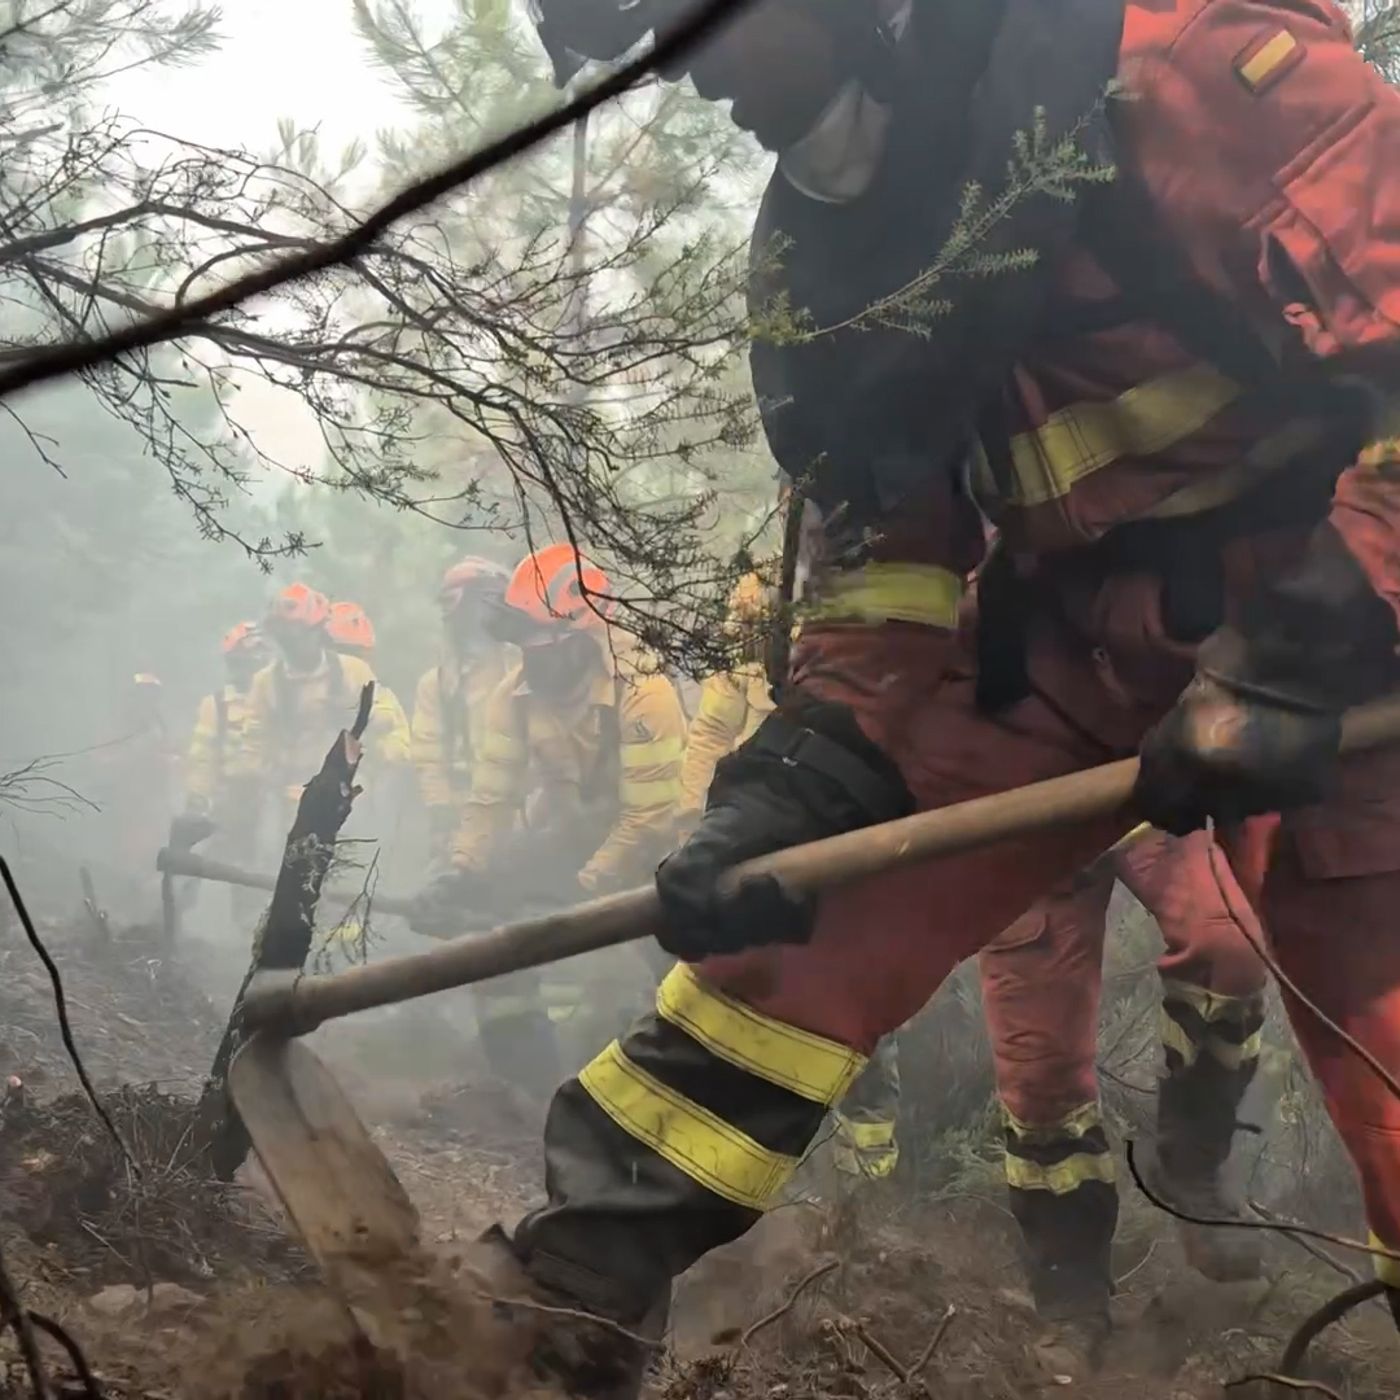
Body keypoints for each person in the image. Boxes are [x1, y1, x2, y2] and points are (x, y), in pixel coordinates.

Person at [452, 0, 1400, 1392]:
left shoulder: (1194, 74)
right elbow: (883, 564)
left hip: (1345, 627)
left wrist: (1310, 641)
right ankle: (570, 1299)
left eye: (682, 25)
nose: (681, 75)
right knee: (800, 917)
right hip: (1059, 644)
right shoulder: (825, 263)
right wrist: (797, 777)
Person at [414, 543, 688, 1098]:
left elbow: (649, 817)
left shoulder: (645, 692)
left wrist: (582, 888)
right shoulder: (511, 695)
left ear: (585, 637)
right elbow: (491, 800)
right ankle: (523, 1081)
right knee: (492, 916)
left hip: (655, 856)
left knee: (676, 972)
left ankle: (666, 1086)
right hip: (568, 840)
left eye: (544, 649)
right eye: (525, 648)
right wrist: (462, 870)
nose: (531, 662)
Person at [235, 583, 409, 839]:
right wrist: (272, 784)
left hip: (348, 804)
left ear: (318, 631)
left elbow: (390, 729)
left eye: (299, 634)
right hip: (285, 805)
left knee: (346, 870)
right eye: (285, 636)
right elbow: (254, 747)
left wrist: (363, 772)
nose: (293, 644)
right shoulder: (265, 683)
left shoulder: (354, 673)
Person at [410, 558, 514, 866]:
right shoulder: (439, 684)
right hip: (459, 822)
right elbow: (428, 756)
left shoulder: (523, 670)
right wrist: (440, 812)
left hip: (521, 819)